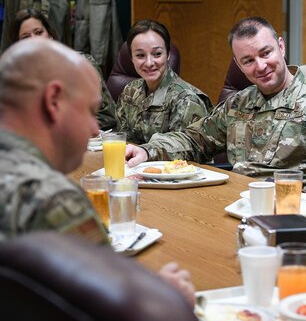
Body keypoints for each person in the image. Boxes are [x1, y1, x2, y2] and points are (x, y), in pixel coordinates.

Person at [0, 39, 195, 306]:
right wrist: (163, 296)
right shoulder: (50, 199)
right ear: (53, 101)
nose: (94, 130)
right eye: (90, 111)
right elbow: (113, 314)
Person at [125, 16, 306, 199]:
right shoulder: (238, 104)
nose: (261, 66)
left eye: (266, 53)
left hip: (292, 211)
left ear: (281, 47)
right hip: (236, 202)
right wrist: (149, 151)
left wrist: (290, 199)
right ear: (238, 65)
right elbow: (195, 140)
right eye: (248, 61)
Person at [10, 8, 117, 131]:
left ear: (50, 35)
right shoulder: (15, 76)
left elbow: (107, 117)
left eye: (39, 32)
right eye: (25, 37)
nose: (34, 39)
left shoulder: (80, 63)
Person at [115, 20, 212, 144]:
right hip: (136, 162)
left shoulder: (187, 100)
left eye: (157, 54)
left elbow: (186, 154)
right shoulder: (130, 91)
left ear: (168, 55)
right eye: (140, 55)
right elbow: (125, 141)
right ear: (131, 58)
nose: (149, 63)